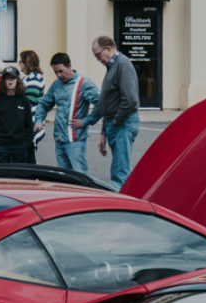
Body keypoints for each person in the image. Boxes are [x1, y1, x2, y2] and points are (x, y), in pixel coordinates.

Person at [35, 52, 100, 173]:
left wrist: (86, 121)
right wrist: (39, 119)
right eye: (55, 72)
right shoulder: (56, 84)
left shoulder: (84, 83)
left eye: (61, 71)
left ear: (69, 66)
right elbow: (43, 104)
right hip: (59, 140)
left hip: (75, 141)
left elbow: (101, 103)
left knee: (79, 176)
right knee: (63, 178)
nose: (59, 75)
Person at [93, 35, 141, 189]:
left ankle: (124, 206)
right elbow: (108, 101)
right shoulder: (113, 66)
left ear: (108, 49)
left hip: (123, 124)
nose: (97, 59)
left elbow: (130, 100)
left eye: (98, 55)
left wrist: (116, 122)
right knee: (119, 169)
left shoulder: (122, 64)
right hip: (116, 124)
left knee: (120, 173)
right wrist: (104, 131)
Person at [0, 66, 36, 164]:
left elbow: (29, 124)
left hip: (20, 145)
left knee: (20, 176)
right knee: (2, 176)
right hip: (2, 145)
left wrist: (26, 142)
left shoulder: (24, 100)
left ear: (17, 80)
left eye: (12, 78)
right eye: (7, 78)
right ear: (3, 81)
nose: (10, 81)